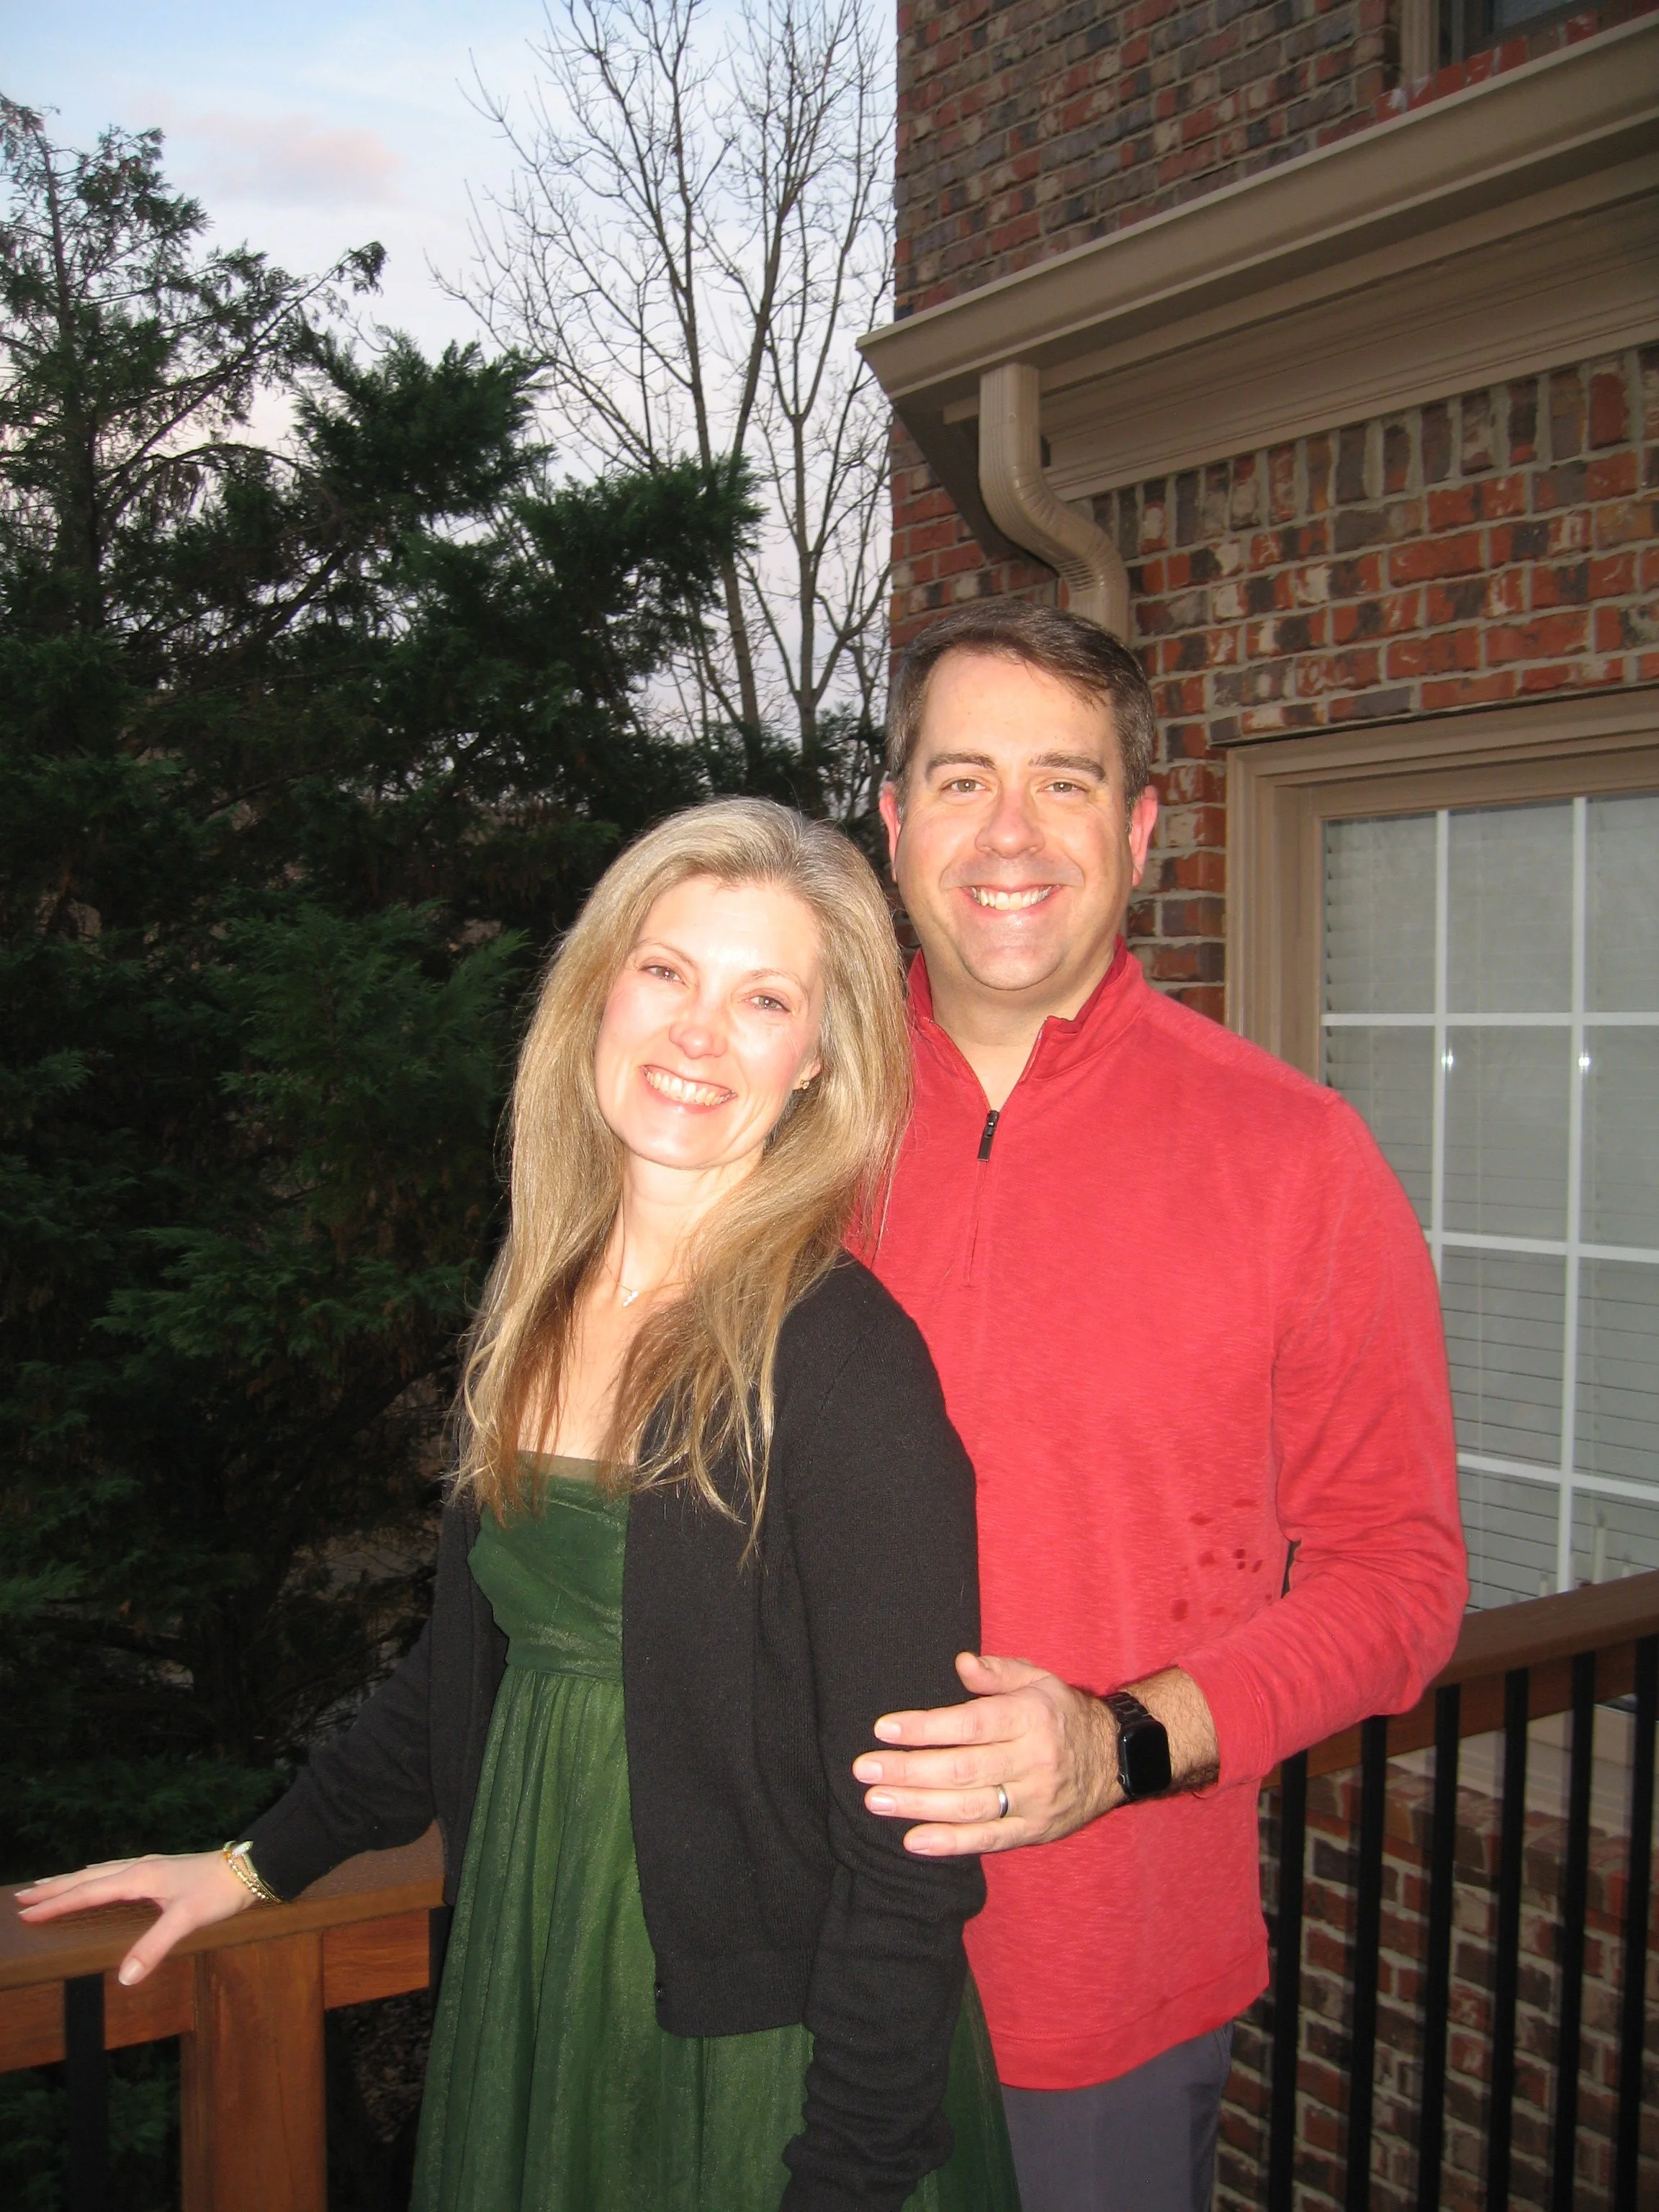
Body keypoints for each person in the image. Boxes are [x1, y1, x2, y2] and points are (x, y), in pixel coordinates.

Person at [19, 799, 1022, 2212]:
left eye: (764, 1000)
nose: (696, 1032)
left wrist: (849, 2173)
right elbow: (467, 1666)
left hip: (747, 2050)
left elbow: (913, 1828)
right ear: (599, 987)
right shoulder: (540, 1298)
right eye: (668, 972)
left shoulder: (839, 1357)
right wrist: (253, 1865)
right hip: (534, 1967)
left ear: (818, 1063)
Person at [848, 603, 1468, 2212]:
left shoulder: (1296, 1159)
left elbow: (1400, 1583)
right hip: (782, 1979)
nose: (1010, 832)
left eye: (1065, 783)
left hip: (1100, 2015)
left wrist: (1118, 1746)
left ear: (1137, 834)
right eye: (965, 777)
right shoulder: (782, 1134)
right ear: (895, 819)